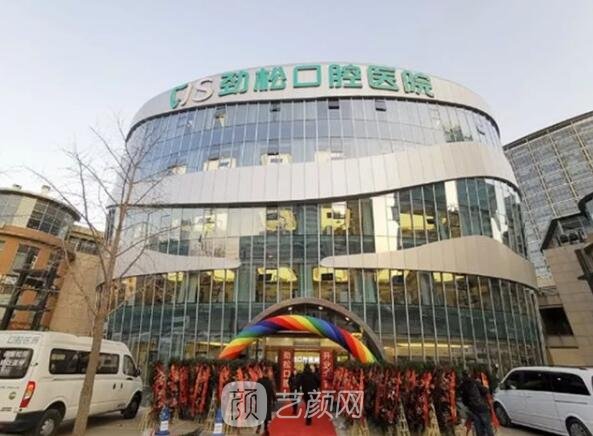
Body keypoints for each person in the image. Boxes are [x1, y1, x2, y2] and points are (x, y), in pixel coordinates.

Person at [459, 370, 494, 436]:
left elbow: (464, 401)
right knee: (487, 427)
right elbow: (486, 391)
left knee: (479, 428)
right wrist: (489, 404)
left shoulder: (463, 386)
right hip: (482, 407)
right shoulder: (475, 382)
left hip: (473, 409)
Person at [257, 368, 277, 435]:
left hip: (260, 400)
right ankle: (265, 428)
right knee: (266, 415)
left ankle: (259, 427)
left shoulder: (259, 381)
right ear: (267, 373)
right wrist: (274, 399)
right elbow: (272, 391)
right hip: (267, 400)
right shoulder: (269, 382)